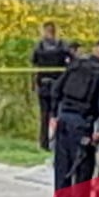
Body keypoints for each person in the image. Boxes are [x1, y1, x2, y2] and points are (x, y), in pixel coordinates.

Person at [49, 39, 99, 197]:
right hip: (82, 124)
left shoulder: (76, 65)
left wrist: (54, 115)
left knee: (63, 167)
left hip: (63, 121)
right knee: (82, 168)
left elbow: (56, 90)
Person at [31, 22, 72, 151]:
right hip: (58, 84)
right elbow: (72, 60)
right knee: (58, 114)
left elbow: (33, 64)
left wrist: (33, 84)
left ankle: (45, 144)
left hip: (46, 84)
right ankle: (57, 142)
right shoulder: (62, 45)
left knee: (45, 115)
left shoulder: (39, 46)